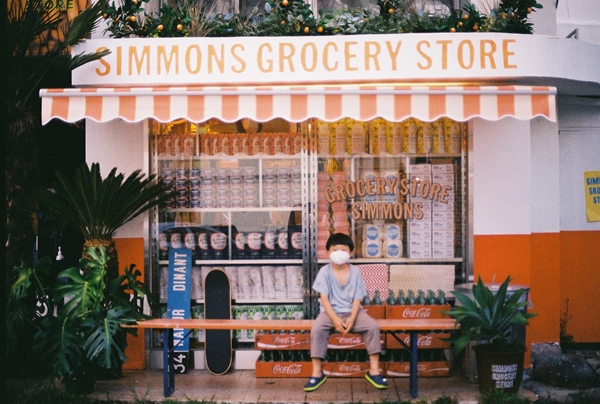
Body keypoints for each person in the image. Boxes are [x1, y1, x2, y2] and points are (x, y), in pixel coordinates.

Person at [304, 233, 388, 392]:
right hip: (330, 313)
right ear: (328, 252)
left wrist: (353, 318)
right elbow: (324, 299)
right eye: (335, 249)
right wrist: (335, 319)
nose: (339, 253)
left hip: (353, 311)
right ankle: (317, 372)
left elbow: (357, 298)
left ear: (350, 253)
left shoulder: (355, 272)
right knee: (317, 329)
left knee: (372, 327)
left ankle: (374, 371)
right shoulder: (324, 272)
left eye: (344, 249)